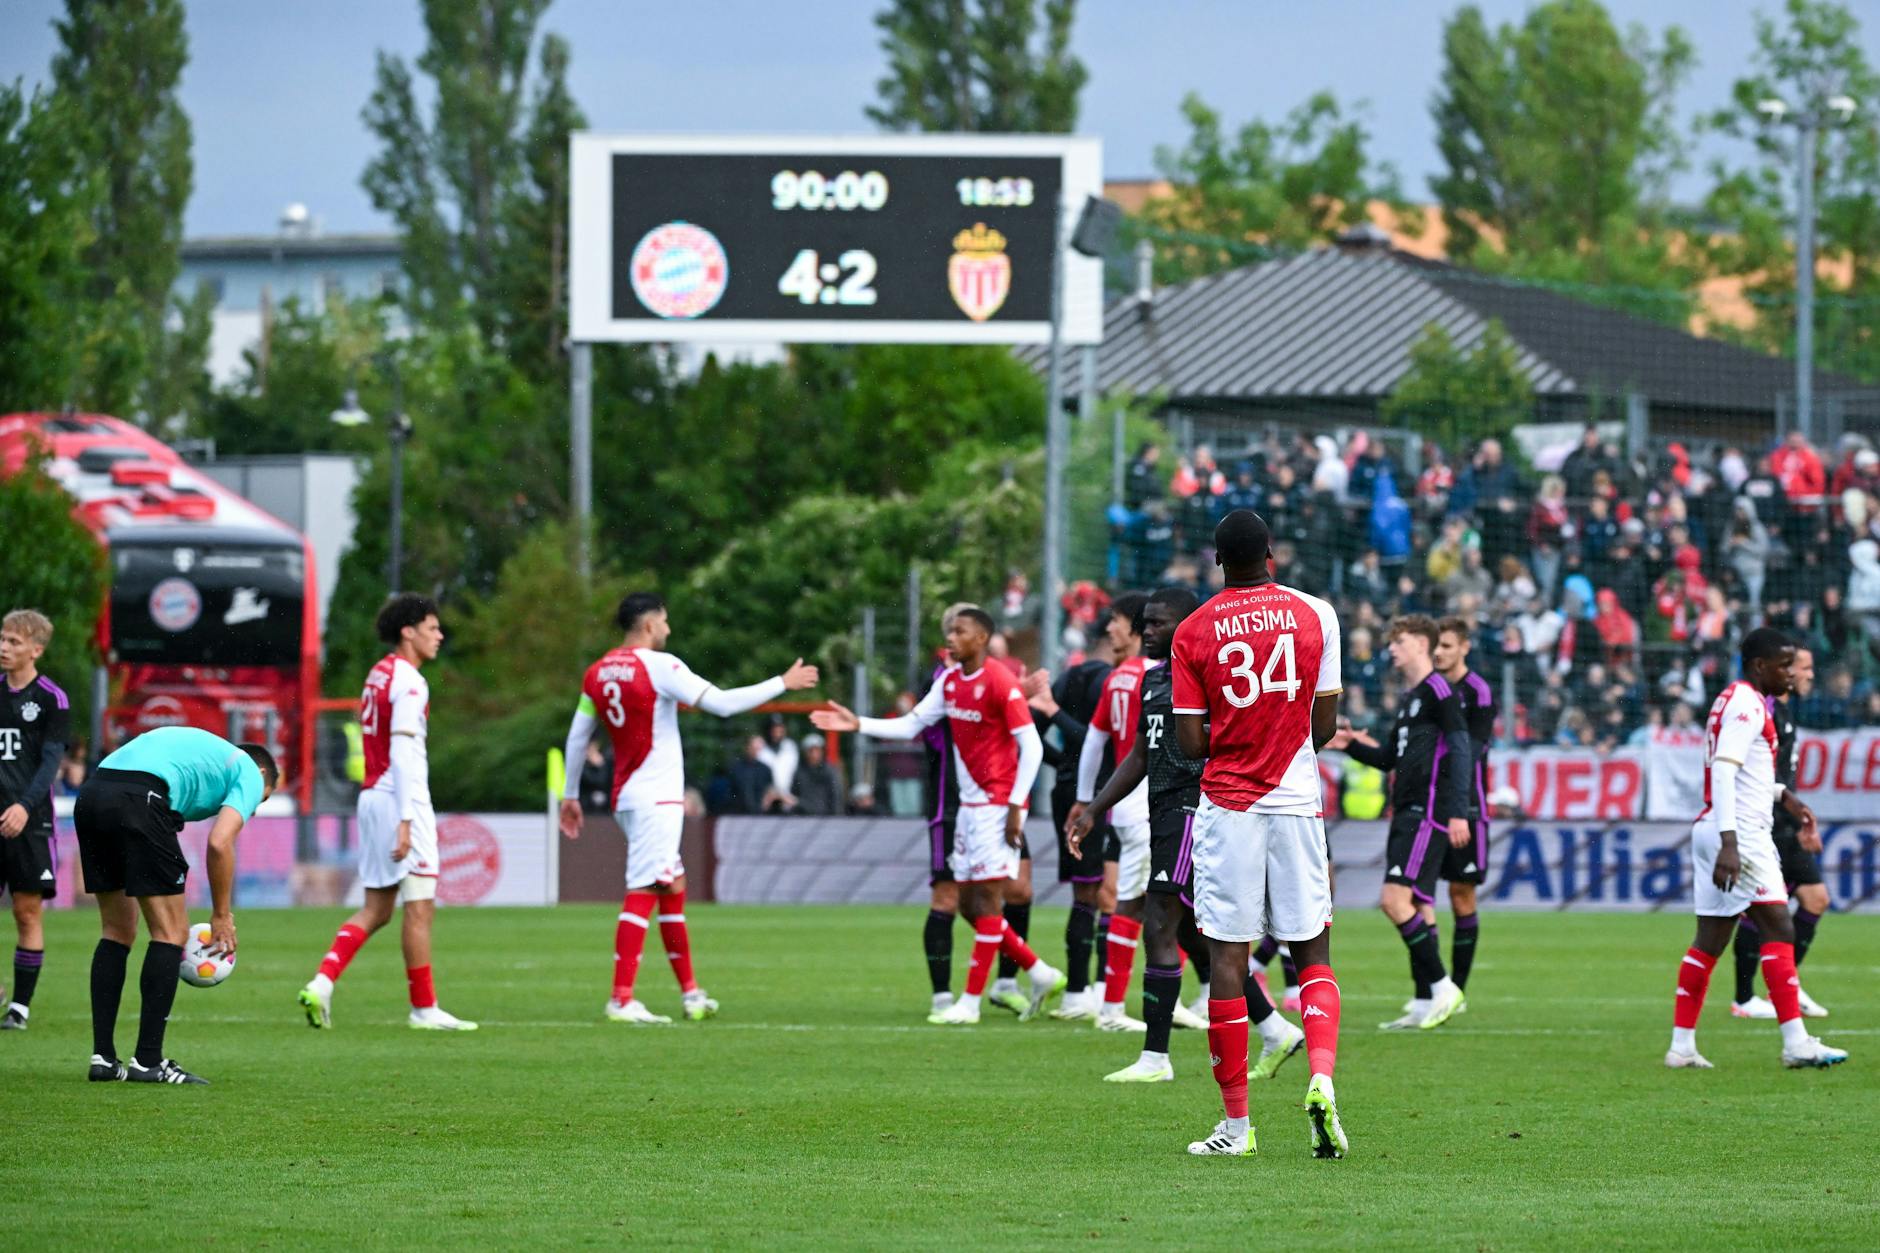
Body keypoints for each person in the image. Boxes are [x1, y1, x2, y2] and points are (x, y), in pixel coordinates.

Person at [1170, 509, 1347, 1159]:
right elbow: (1322, 728)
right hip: (1297, 801)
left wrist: (1238, 736)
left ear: (1218, 561)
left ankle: (1237, 1127)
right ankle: (1322, 1079)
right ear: (1272, 552)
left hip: (1230, 804)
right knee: (1313, 952)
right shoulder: (1316, 614)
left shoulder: (1192, 631)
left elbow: (1190, 743)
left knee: (1227, 958)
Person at [558, 592, 819, 1023]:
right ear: (648, 625)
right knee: (645, 887)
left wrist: (571, 794)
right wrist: (781, 683)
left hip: (628, 797)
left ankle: (691, 993)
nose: (668, 629)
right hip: (656, 797)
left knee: (672, 885)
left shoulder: (598, 671)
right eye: (664, 621)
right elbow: (721, 703)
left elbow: (577, 735)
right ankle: (622, 998)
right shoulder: (660, 666)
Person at [1075, 586, 1290, 1084]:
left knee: (1157, 921)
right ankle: (1276, 1029)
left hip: (1197, 810)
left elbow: (1235, 743)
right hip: (1162, 811)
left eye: (1156, 623)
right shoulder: (1154, 680)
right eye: (1144, 622)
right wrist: (1093, 809)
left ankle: (1156, 1057)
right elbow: (1139, 757)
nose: (1145, 630)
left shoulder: (1214, 677)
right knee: (1194, 934)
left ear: (1187, 625)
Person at [814, 607, 1064, 1026]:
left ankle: (968, 1002)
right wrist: (858, 723)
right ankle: (1040, 973)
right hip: (968, 810)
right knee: (969, 904)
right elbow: (912, 724)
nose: (951, 638)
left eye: (960, 631)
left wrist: (1016, 806)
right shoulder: (949, 682)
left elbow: (1032, 747)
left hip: (995, 807)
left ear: (982, 637)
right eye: (949, 631)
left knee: (987, 900)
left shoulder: (1001, 681)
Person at [1664, 629, 1844, 1070]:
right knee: (1780, 928)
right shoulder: (1747, 703)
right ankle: (1796, 1044)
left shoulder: (1735, 699)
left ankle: (1681, 1047)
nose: (1790, 673)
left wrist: (1785, 795)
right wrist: (1731, 844)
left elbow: (1743, 773)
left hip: (1716, 826)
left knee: (1710, 940)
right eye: (1784, 665)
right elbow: (1723, 772)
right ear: (1760, 666)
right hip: (1739, 832)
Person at [300, 594, 476, 1032]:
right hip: (402, 799)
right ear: (408, 631)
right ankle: (424, 1007)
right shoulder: (411, 682)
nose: (439, 636)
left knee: (377, 909)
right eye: (433, 628)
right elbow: (401, 749)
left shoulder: (378, 674)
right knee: (420, 907)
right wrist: (406, 819)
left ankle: (322, 983)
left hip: (372, 797)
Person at [77, 726, 277, 1083]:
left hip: (93, 795)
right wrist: (221, 916)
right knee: (171, 933)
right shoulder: (247, 769)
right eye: (260, 801)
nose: (253, 812)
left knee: (117, 931)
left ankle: (104, 1059)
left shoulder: (207, 758)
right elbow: (219, 843)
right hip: (139, 796)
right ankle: (148, 1062)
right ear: (262, 776)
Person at [1334, 614, 1472, 1031]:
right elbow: (1388, 758)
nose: (1391, 648)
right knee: (1417, 906)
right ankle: (1423, 998)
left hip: (1426, 814)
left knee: (1395, 902)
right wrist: (1351, 745)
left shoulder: (1440, 692)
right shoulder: (1412, 697)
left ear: (1420, 645)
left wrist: (1458, 810)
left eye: (1399, 641)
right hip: (1405, 811)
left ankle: (1444, 988)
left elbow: (1462, 749)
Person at [1069, 593, 1158, 1032]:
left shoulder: (1118, 677)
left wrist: (1085, 798)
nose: (1110, 629)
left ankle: (1166, 997)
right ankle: (1112, 1007)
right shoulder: (1154, 677)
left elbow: (1094, 742)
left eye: (1116, 621)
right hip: (1147, 805)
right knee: (1137, 902)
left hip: (1127, 806)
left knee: (1171, 900)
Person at [1730, 645, 1832, 1021]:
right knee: (1770, 908)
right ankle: (1754, 995)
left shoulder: (1784, 712)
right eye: (1804, 668)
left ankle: (1774, 990)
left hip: (1781, 818)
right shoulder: (1764, 708)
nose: (1808, 675)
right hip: (1769, 820)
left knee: (1798, 902)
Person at [1023, 619, 1115, 1019]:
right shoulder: (1113, 681)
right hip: (1101, 791)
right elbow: (1100, 740)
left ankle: (1086, 990)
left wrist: (1063, 765)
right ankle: (1087, 990)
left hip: (1067, 790)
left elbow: (1031, 731)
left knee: (1086, 892)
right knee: (1103, 893)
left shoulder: (1066, 678)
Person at [0, 610, 69, 1030]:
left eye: (14, 642)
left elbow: (50, 763)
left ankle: (19, 1009)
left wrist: (24, 806)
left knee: (26, 912)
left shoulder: (51, 698)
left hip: (30, 821)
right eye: (3, 640)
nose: (4, 648)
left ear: (36, 649)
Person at [1434, 616, 1494, 998]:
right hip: (1426, 804)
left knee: (1461, 894)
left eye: (1448, 646)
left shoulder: (1478, 691)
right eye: (1437, 646)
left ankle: (1456, 990)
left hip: (1466, 805)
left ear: (1465, 647)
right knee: (1412, 897)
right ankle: (1431, 989)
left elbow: (1472, 751)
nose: (1440, 652)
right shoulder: (1431, 688)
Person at [793, 735, 843, 816]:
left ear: (822, 751)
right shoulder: (799, 771)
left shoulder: (829, 771)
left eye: (817, 750)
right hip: (804, 816)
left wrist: (836, 817)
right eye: (810, 750)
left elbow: (836, 796)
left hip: (825, 817)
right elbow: (795, 794)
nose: (813, 754)